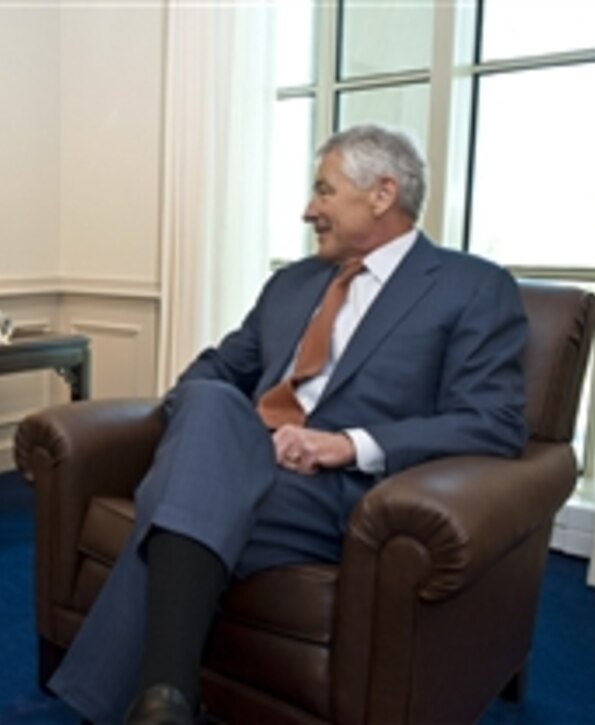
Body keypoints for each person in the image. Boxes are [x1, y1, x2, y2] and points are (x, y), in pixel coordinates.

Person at [48, 125, 528, 724]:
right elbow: (215, 369)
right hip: (241, 453)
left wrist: (347, 446)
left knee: (181, 498)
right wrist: (218, 439)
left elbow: (493, 422)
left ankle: (161, 695)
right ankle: (167, 701)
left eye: (323, 191)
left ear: (382, 194)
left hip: (338, 492)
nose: (309, 210)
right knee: (209, 405)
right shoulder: (292, 283)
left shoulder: (473, 287)